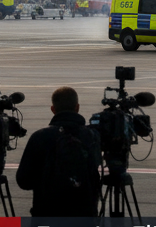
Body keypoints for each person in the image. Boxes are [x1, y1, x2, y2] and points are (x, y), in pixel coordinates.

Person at [15, 86, 101, 217]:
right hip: (84, 215)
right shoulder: (91, 135)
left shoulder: (40, 137)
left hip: (47, 214)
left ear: (53, 109)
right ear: (77, 108)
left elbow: (24, 181)